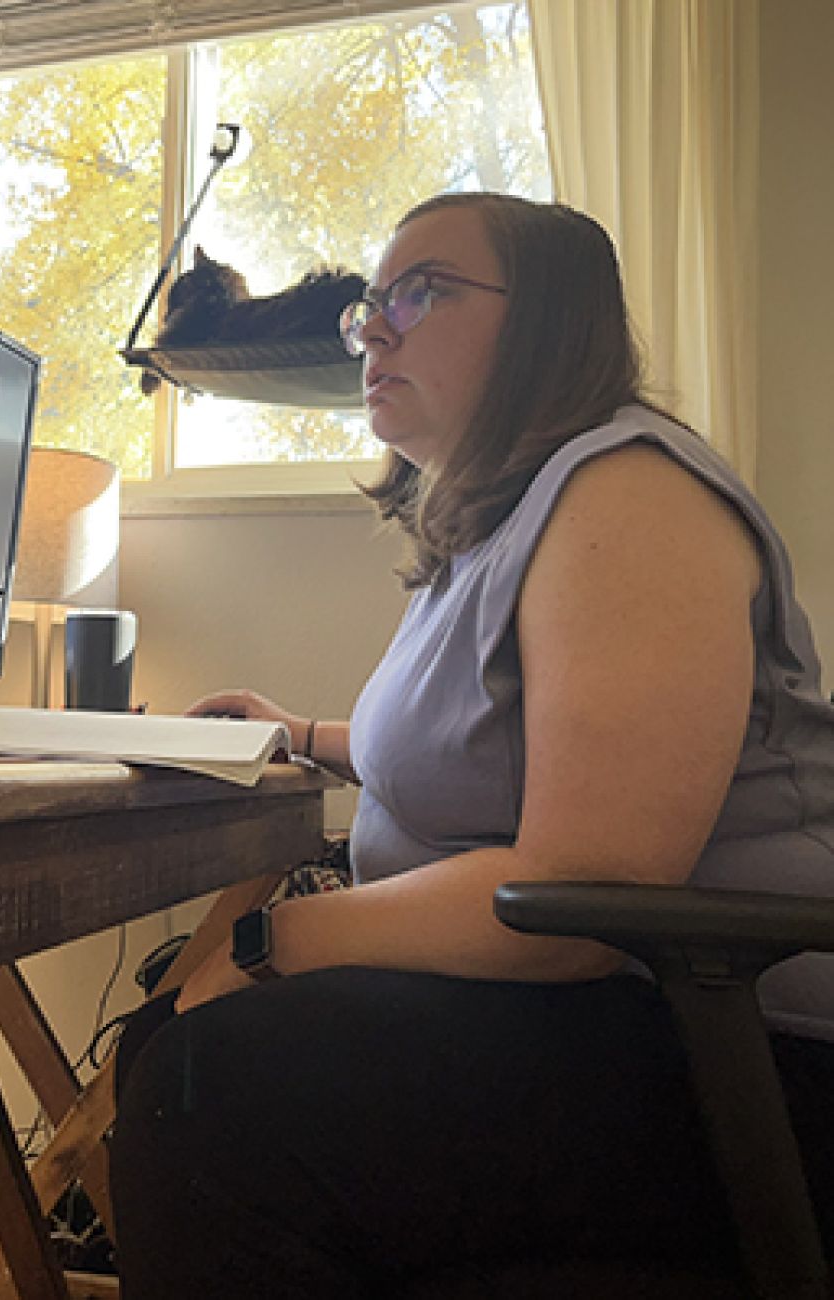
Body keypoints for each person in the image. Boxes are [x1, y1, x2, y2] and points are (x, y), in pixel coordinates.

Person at [106, 192, 834, 1297]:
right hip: (624, 1020)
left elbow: (587, 891)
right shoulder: (495, 525)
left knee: (207, 1080)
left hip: (746, 1058)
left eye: (422, 290)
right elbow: (491, 748)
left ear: (548, 318)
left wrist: (274, 940)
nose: (375, 329)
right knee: (161, 1037)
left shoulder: (627, 493)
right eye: (369, 303)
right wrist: (307, 736)